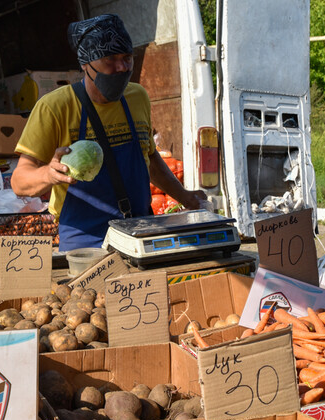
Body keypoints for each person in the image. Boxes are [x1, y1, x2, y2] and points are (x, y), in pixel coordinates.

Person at [11, 14, 208, 250]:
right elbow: (19, 182)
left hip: (141, 228)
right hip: (85, 239)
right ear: (86, 63)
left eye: (127, 58)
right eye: (110, 59)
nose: (122, 67)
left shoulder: (138, 97)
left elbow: (151, 159)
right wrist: (49, 175)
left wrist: (185, 197)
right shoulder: (55, 106)